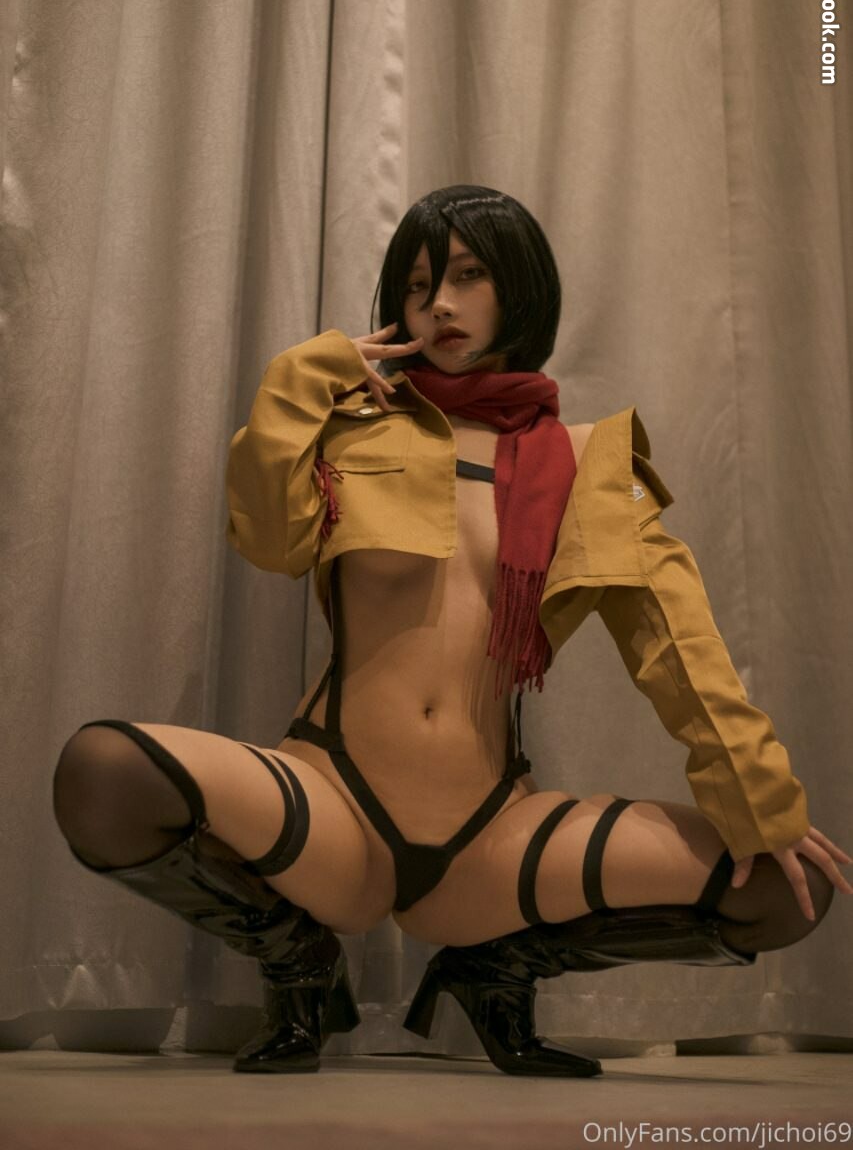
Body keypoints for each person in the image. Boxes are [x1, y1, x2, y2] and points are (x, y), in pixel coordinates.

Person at [52, 184, 852, 1077]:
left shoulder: (593, 463)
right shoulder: (352, 428)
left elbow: (677, 647)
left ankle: (494, 971)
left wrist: (760, 806)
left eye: (469, 276)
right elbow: (271, 542)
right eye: (418, 284)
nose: (439, 304)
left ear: (520, 288)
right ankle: (297, 959)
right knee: (102, 774)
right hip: (329, 800)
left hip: (492, 834)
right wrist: (300, 380)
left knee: (788, 891)